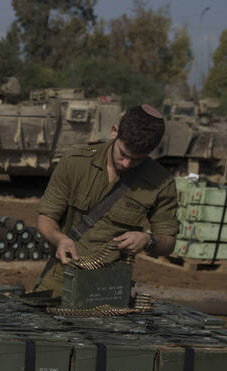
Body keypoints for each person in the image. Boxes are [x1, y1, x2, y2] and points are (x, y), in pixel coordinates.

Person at [34, 104, 179, 296]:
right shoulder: (75, 162)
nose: (127, 164)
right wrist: (59, 239)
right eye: (123, 154)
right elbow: (46, 217)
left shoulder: (161, 182)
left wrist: (148, 240)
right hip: (61, 279)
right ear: (114, 131)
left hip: (110, 289)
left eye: (137, 160)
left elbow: (168, 242)